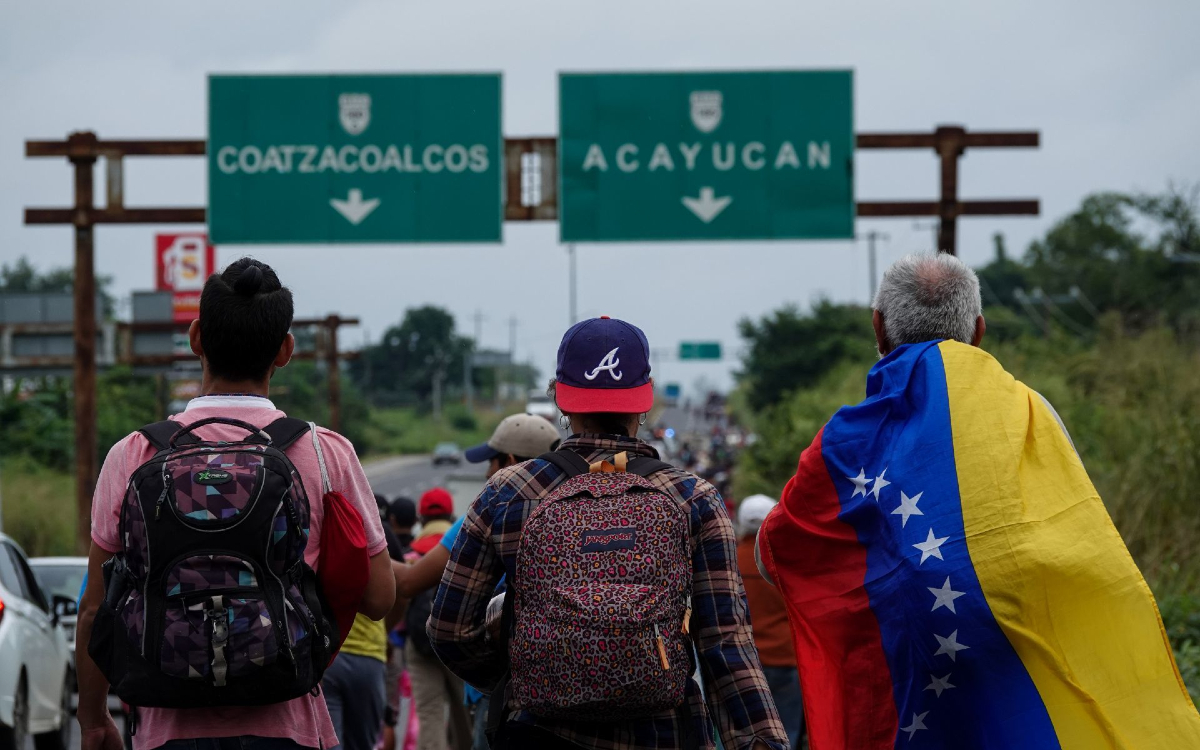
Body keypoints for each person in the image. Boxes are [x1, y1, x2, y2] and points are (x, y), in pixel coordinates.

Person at [757, 252, 1200, 748]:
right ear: (979, 330)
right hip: (1019, 642)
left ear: (879, 330)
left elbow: (772, 552)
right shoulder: (1034, 410)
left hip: (912, 657)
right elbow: (1078, 517)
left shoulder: (843, 441)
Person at [76, 258, 396, 750]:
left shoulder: (133, 454)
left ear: (196, 337)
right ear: (286, 350)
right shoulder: (323, 452)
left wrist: (95, 720)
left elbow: (96, 606)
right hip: (290, 728)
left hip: (166, 732)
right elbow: (378, 599)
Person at [428, 316, 787, 750]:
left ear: (561, 401)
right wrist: (760, 740)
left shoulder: (509, 492)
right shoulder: (693, 498)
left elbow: (449, 628)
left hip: (538, 734)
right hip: (664, 734)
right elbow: (725, 642)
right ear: (644, 402)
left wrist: (524, 678)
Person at [393, 413, 560, 750]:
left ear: (510, 462)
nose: (486, 473)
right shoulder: (572, 510)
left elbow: (411, 583)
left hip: (502, 687)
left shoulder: (492, 509)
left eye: (491, 462)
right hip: (561, 685)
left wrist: (371, 544)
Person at [323, 496, 410, 750]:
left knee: (330, 743)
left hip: (329, 656)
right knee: (364, 743)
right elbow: (400, 593)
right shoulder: (379, 535)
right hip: (369, 656)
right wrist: (387, 629)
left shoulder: (324, 523)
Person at [405, 488, 471, 750]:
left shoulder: (414, 552)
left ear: (421, 518)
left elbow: (405, 593)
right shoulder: (462, 540)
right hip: (456, 639)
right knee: (463, 713)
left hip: (420, 642)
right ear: (451, 513)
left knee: (429, 713)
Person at [734, 496, 803, 748]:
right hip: (786, 659)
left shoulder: (727, 562)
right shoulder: (789, 562)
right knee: (786, 734)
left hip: (742, 662)